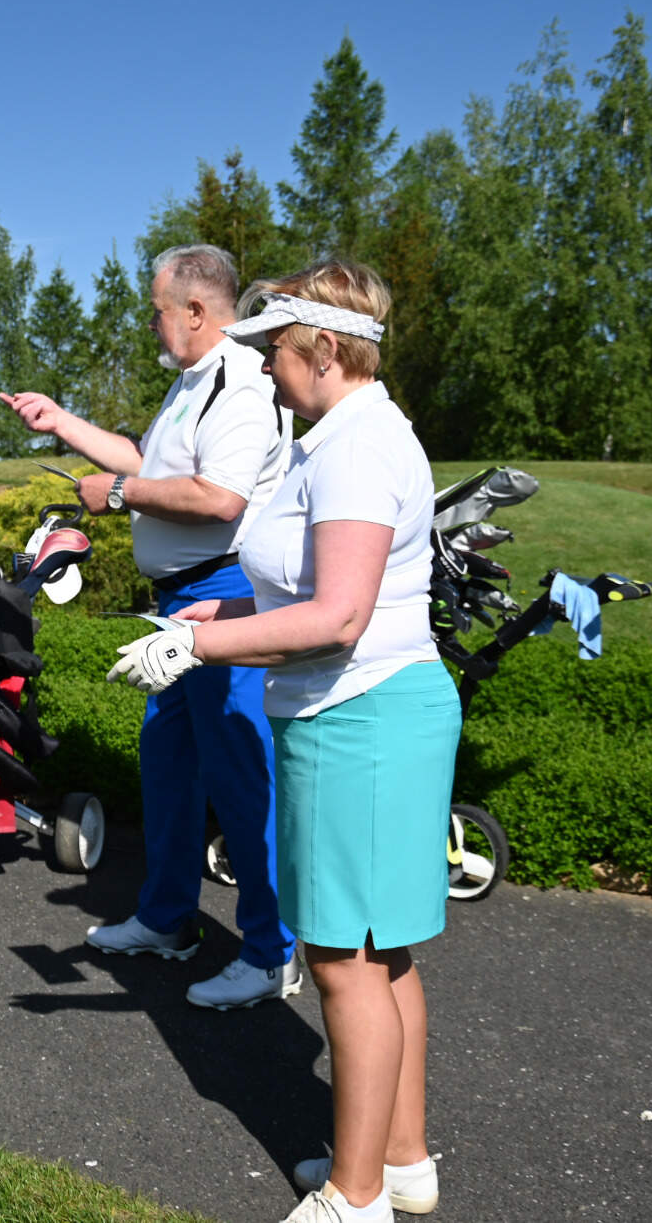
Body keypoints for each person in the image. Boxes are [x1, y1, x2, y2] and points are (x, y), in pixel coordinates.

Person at [108, 260, 456, 1223]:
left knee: (345, 959)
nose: (262, 366)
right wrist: (209, 617)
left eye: (275, 350)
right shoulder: (338, 436)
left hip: (361, 713)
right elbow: (299, 586)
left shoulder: (357, 447)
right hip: (367, 708)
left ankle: (355, 1198)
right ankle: (398, 1160)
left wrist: (197, 646)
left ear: (326, 349)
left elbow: (337, 616)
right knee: (381, 954)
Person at [1, 242, 298, 1011]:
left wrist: (122, 494)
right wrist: (60, 421)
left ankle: (271, 952)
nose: (152, 323)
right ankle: (168, 919)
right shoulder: (194, 381)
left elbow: (220, 497)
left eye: (159, 309)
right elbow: (143, 461)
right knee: (169, 761)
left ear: (196, 310)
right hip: (178, 596)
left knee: (240, 772)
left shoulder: (241, 380)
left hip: (225, 590)